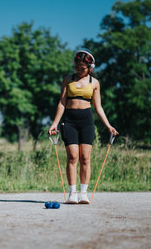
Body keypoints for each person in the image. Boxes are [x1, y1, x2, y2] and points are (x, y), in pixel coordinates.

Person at [48, 48, 118, 204]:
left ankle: (83, 193)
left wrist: (109, 126)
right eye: (77, 67)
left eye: (83, 68)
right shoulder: (68, 80)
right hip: (69, 120)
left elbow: (98, 107)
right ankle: (73, 193)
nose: (79, 70)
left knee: (85, 158)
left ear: (90, 68)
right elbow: (62, 103)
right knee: (73, 157)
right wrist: (54, 124)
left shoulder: (95, 83)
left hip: (86, 121)